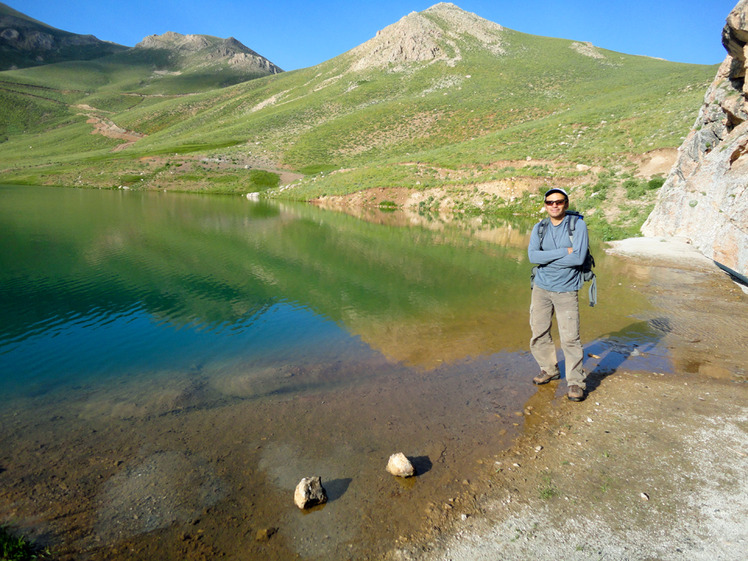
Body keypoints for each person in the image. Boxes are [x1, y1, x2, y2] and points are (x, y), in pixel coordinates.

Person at [527, 188, 589, 402]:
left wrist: (547, 258)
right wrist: (565, 251)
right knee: (539, 332)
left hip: (566, 289)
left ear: (566, 203)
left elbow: (579, 258)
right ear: (545, 204)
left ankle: (575, 382)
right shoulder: (540, 227)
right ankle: (549, 369)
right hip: (541, 288)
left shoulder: (577, 225)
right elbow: (532, 256)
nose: (554, 205)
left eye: (559, 202)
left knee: (570, 338)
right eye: (550, 202)